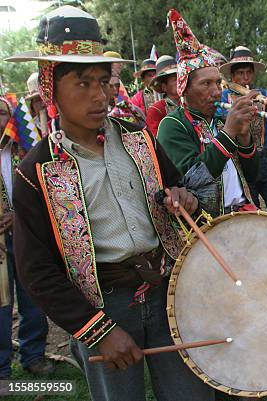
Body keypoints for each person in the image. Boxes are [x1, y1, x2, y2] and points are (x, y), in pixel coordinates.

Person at [7, 6, 220, 400]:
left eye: (104, 82)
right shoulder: (35, 171)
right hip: (103, 306)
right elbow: (36, 270)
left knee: (191, 394)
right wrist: (97, 330)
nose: (98, 95)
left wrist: (183, 198)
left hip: (167, 291)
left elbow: (178, 189)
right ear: (51, 87)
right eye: (83, 83)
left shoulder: (138, 138)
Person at [157, 10, 259, 217]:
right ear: (184, 89)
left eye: (217, 83)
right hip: (210, 225)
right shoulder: (172, 125)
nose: (217, 91)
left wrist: (245, 136)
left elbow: (253, 176)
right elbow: (192, 180)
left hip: (243, 214)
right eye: (206, 84)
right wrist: (229, 133)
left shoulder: (220, 122)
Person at [0, 96, 53, 380]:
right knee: (1, 303)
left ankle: (34, 355)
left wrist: (18, 216)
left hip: (25, 233)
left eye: (1, 113)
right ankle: (1, 367)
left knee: (33, 294)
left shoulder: (24, 150)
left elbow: (40, 190)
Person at [220, 46, 267, 216]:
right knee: (251, 212)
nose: (245, 78)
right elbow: (221, 121)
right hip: (240, 164)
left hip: (265, 159)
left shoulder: (263, 95)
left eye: (248, 73)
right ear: (232, 76)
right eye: (240, 73)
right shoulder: (224, 97)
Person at [146, 55, 180, 136]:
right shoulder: (156, 110)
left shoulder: (190, 104)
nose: (179, 81)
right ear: (164, 87)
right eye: (175, 79)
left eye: (180, 77)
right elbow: (156, 140)